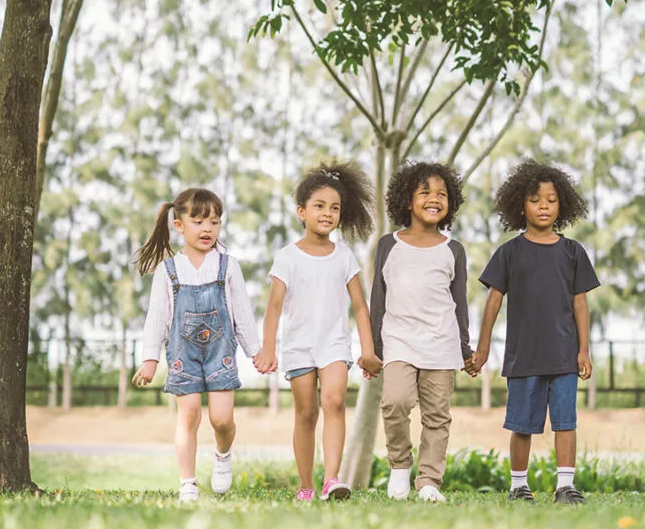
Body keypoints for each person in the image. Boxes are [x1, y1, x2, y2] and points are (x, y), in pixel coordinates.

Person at [468, 160, 600, 505]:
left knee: (565, 422)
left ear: (563, 205)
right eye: (535, 199)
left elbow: (581, 304)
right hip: (523, 356)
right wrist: (481, 350)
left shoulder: (573, 252)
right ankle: (518, 486)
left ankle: (565, 486)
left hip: (564, 356)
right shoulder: (509, 253)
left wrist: (584, 349)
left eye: (551, 200)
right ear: (519, 205)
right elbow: (493, 302)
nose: (544, 206)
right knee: (522, 425)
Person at [256, 160, 381, 501]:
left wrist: (367, 351)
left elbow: (359, 306)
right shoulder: (287, 257)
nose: (327, 213)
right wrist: (268, 349)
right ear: (301, 211)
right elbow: (274, 307)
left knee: (335, 402)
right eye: (319, 206)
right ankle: (306, 487)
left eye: (334, 208)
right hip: (298, 345)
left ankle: (332, 480)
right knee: (306, 413)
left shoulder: (344, 256)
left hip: (334, 344)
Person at [131, 188, 262, 502]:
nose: (208, 229)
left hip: (221, 353)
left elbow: (242, 312)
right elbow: (157, 318)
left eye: (215, 222)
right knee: (188, 416)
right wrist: (150, 358)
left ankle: (222, 453)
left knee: (221, 419)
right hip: (182, 355)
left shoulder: (228, 266)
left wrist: (256, 351)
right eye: (199, 221)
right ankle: (187, 483)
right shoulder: (168, 271)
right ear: (179, 225)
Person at [371, 161, 473, 503]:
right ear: (407, 199)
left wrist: (465, 348)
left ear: (450, 203)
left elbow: (459, 303)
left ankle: (429, 481)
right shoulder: (389, 245)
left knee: (437, 416)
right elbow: (378, 298)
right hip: (399, 339)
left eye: (442, 194)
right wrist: (374, 347)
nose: (434, 198)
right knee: (395, 401)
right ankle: (400, 465)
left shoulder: (453, 249)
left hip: (442, 344)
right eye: (425, 192)